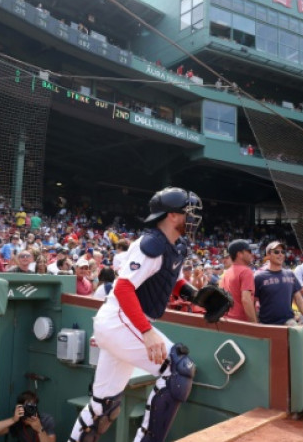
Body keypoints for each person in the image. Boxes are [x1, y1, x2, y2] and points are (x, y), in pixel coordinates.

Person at [67, 187, 204, 442]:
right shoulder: (150, 244)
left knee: (103, 406)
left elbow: (172, 280)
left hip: (124, 323)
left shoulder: (177, 246)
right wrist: (147, 331)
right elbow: (123, 287)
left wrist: (196, 295)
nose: (193, 218)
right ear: (173, 215)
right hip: (121, 319)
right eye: (188, 212)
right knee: (178, 369)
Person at [254, 241, 303, 326]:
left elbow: (298, 298)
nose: (280, 254)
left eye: (283, 252)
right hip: (266, 323)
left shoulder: (290, 274)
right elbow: (252, 302)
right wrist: (255, 322)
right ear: (268, 255)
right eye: (276, 252)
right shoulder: (259, 277)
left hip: (288, 321)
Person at [219, 239, 257, 323]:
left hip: (226, 321)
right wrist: (255, 324)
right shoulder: (246, 271)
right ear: (240, 254)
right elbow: (246, 300)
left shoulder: (227, 272)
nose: (252, 254)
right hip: (240, 323)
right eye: (249, 251)